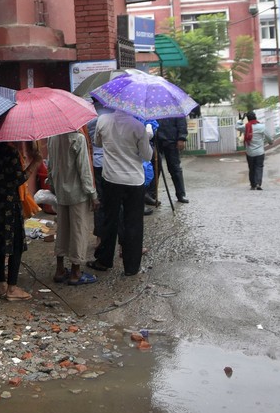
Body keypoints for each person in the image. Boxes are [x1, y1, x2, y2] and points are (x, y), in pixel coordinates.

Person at [92, 106, 153, 276]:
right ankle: (131, 267)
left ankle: (104, 261)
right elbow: (147, 156)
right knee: (133, 223)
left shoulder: (102, 120)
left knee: (110, 220)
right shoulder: (138, 127)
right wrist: (147, 136)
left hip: (111, 178)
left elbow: (97, 143)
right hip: (134, 181)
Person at [0, 140, 39, 301]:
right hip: (11, 203)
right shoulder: (11, 152)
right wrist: (34, 164)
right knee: (15, 243)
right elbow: (18, 179)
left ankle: (1, 284)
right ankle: (12, 288)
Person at [48, 129, 98, 286]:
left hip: (61, 192)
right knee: (78, 230)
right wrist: (93, 195)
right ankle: (76, 272)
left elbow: (50, 165)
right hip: (78, 194)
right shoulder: (77, 138)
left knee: (62, 229)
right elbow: (84, 170)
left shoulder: (52, 137)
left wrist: (52, 184)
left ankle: (60, 269)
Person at [153, 116, 189, 203]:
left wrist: (181, 138)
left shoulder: (174, 106)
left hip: (172, 140)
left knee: (175, 168)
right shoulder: (153, 105)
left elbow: (181, 123)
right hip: (156, 140)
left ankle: (181, 194)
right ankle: (152, 195)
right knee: (155, 167)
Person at [241, 111, 272, 190]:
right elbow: (269, 137)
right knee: (259, 167)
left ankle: (253, 185)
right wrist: (270, 142)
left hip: (250, 152)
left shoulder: (246, 127)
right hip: (259, 152)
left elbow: (237, 126)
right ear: (255, 117)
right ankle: (258, 183)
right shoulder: (261, 127)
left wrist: (240, 119)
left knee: (251, 168)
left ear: (248, 119)